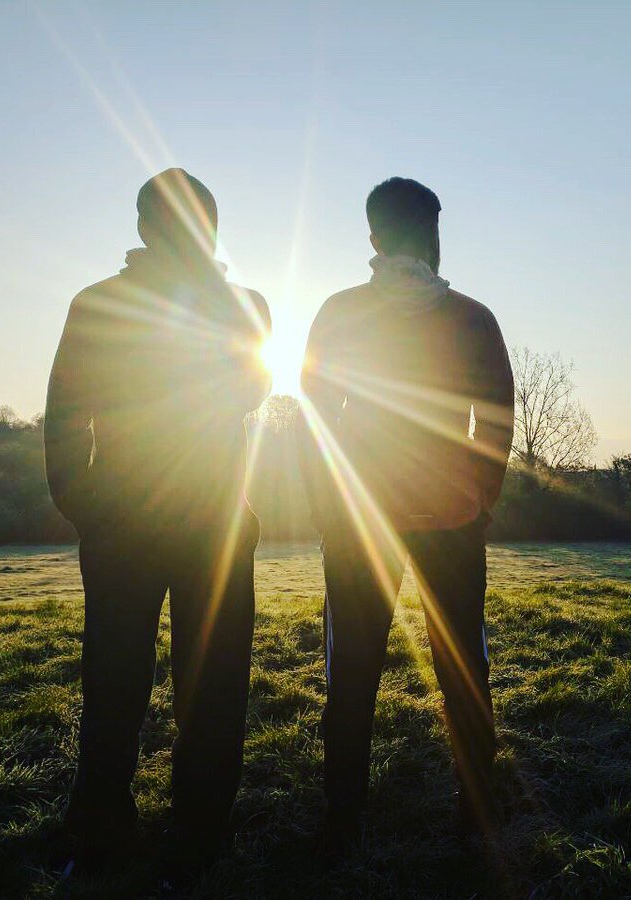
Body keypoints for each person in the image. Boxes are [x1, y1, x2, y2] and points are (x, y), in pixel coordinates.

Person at [44, 169, 271, 874]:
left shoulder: (241, 305)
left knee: (191, 681)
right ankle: (120, 825)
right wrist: (84, 506)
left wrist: (86, 505)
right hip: (140, 523)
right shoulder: (108, 304)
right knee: (129, 679)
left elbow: (251, 385)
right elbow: (64, 413)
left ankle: (185, 829)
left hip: (205, 524)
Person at [300, 177, 515, 850]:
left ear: (372, 238)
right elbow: (497, 419)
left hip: (361, 519)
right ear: (433, 235)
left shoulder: (338, 311)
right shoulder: (472, 316)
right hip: (450, 520)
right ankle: (476, 814)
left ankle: (342, 818)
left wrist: (328, 503)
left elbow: (313, 415)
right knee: (462, 667)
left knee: (353, 667)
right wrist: (478, 495)